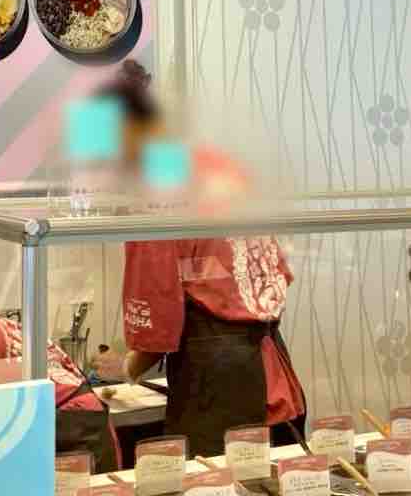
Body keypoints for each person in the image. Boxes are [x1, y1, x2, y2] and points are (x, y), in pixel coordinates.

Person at [96, 62, 307, 458]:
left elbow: (158, 311)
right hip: (271, 369)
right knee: (268, 478)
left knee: (211, 481)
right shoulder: (215, 165)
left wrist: (124, 368)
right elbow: (275, 269)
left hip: (218, 385)